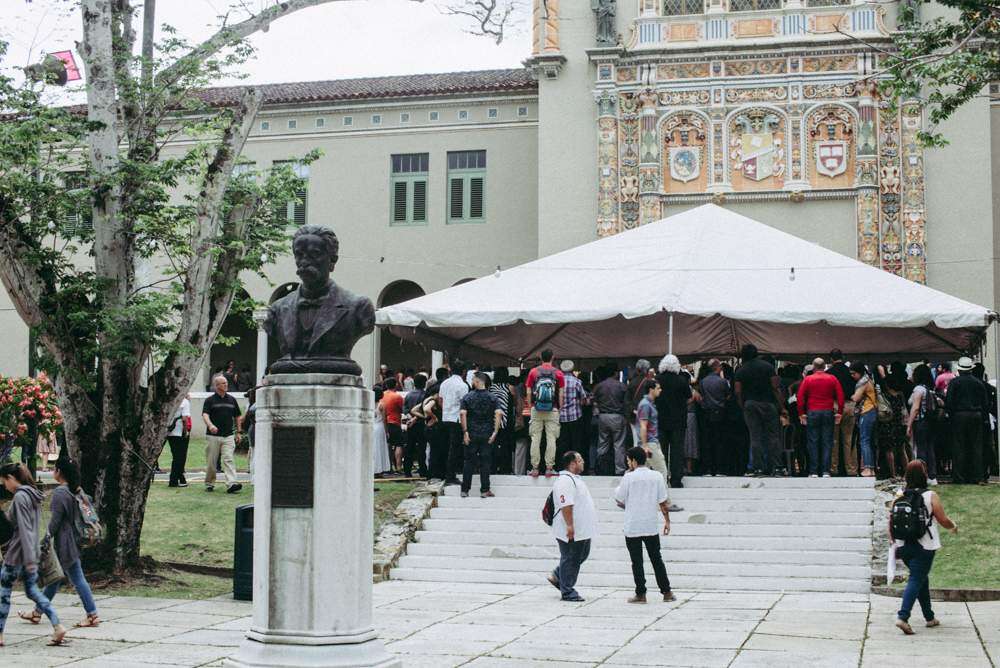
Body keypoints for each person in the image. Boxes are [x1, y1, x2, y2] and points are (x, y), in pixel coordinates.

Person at [20, 458, 99, 629]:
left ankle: (92, 614)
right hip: (75, 539)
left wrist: (45, 539)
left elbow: (55, 522)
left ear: (59, 472)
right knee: (54, 579)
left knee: (77, 577)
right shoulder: (76, 490)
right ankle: (37, 613)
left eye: (54, 469)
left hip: (65, 541)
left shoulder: (60, 493)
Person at [0, 463, 66, 647]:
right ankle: (57, 625)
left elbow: (24, 530)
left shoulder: (20, 497)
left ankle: (0, 634)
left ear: (12, 478)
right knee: (33, 591)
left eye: (4, 481)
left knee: (4, 593)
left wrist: (29, 559)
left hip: (18, 555)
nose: (4, 486)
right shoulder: (33, 495)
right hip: (31, 553)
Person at [891, 459, 957, 635]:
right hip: (925, 545)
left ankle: (929, 617)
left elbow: (891, 520)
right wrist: (953, 527)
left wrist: (893, 543)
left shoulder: (899, 494)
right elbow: (942, 519)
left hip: (903, 545)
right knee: (916, 579)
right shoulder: (930, 495)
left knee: (921, 579)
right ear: (924, 474)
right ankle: (903, 617)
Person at [614, 446, 674, 603]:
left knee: (637, 561)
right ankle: (666, 592)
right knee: (656, 559)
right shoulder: (657, 476)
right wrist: (667, 520)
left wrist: (626, 476)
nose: (628, 464)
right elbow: (663, 501)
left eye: (628, 461)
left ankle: (641, 593)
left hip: (633, 525)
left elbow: (619, 498)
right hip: (650, 524)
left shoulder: (628, 477)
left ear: (633, 461)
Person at [546, 451, 597, 602]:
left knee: (581, 554)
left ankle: (557, 575)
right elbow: (566, 504)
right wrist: (569, 525)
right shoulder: (565, 481)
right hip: (570, 528)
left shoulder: (575, 479)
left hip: (582, 529)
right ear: (572, 464)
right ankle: (567, 591)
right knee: (570, 557)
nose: (583, 462)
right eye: (580, 460)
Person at [797, 358, 845, 477]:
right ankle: (825, 471)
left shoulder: (808, 379)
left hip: (812, 411)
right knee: (827, 442)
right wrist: (839, 412)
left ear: (813, 367)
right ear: (825, 367)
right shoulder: (832, 378)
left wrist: (801, 413)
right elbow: (840, 396)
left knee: (813, 441)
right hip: (828, 411)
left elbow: (800, 397)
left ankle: (813, 471)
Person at [459, 372, 504, 498]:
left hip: (471, 432)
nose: (472, 381)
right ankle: (484, 490)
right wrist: (495, 432)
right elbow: (499, 413)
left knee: (468, 461)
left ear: (477, 381)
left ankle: (465, 490)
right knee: (486, 462)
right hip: (487, 433)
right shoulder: (492, 398)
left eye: (473, 379)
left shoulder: (467, 397)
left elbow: (463, 414)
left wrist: (465, 432)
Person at [945, 356, 988, 484]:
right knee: (976, 446)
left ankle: (960, 476)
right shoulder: (978, 383)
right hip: (976, 415)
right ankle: (977, 476)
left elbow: (949, 402)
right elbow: (985, 403)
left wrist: (950, 415)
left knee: (959, 446)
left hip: (959, 415)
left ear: (960, 369)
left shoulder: (955, 382)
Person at [526, 349, 566, 477]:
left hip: (536, 408)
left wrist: (530, 405)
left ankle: (535, 468)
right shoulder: (558, 373)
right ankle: (549, 468)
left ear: (540, 357)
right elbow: (561, 393)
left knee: (535, 438)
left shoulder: (533, 372)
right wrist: (559, 407)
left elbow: (528, 391)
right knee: (551, 439)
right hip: (552, 409)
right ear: (553, 358)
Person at [654, 354, 692, 487]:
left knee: (661, 451)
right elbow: (689, 397)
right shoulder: (681, 380)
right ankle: (676, 479)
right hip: (678, 420)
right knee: (677, 450)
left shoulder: (656, 380)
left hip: (660, 420)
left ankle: (662, 478)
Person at [202, 375, 243, 494]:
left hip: (228, 436)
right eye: (223, 383)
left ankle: (232, 484)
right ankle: (209, 483)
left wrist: (238, 432)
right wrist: (210, 425)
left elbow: (238, 416)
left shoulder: (232, 399)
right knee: (212, 462)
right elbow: (205, 415)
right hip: (213, 436)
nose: (226, 385)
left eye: (226, 383)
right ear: (217, 386)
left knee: (228, 459)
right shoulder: (209, 400)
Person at [592, 366, 628, 475]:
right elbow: (626, 402)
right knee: (619, 445)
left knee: (602, 443)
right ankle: (620, 470)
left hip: (603, 417)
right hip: (617, 417)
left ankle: (600, 468)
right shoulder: (621, 386)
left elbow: (594, 400)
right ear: (615, 373)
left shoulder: (599, 386)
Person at [907, 364, 939, 485]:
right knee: (930, 448)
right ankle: (932, 475)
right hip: (930, 422)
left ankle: (921, 475)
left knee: (921, 448)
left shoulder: (918, 389)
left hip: (920, 422)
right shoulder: (930, 389)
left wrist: (909, 425)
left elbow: (915, 408)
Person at [828, 350, 858, 477]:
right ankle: (851, 469)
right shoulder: (850, 372)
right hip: (850, 405)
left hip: (834, 405)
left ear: (831, 359)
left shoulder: (829, 373)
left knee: (834, 439)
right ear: (843, 357)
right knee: (849, 439)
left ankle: (834, 468)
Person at [440, 362, 470, 485]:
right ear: (463, 371)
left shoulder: (444, 383)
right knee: (455, 448)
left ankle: (446, 473)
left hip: (445, 417)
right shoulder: (463, 386)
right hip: (456, 418)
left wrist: (446, 410)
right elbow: (465, 405)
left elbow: (440, 400)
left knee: (447, 446)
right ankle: (450, 475)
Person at [699, 359, 729, 476]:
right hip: (720, 412)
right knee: (720, 441)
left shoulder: (703, 382)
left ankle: (708, 468)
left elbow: (702, 395)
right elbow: (727, 395)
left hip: (707, 412)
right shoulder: (723, 382)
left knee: (707, 441)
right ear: (717, 368)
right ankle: (719, 468)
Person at [877, 376, 911, 479]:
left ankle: (893, 473)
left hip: (888, 424)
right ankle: (906, 473)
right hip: (900, 424)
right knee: (902, 450)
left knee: (889, 450)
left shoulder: (885, 396)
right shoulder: (900, 395)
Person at [850, 362, 878, 477]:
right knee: (868, 441)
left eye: (853, 373)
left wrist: (852, 396)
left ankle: (867, 468)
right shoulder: (869, 380)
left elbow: (856, 398)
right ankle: (870, 468)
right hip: (871, 412)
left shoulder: (863, 382)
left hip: (866, 411)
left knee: (864, 441)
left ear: (859, 372)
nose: (852, 376)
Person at [557, 360, 587, 469]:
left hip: (561, 416)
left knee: (563, 443)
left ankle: (563, 466)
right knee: (576, 443)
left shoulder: (557, 382)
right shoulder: (577, 381)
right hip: (575, 416)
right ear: (572, 369)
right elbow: (584, 399)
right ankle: (575, 466)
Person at [489, 367, 515, 474]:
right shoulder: (509, 387)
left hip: (493, 420)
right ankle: (505, 468)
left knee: (493, 444)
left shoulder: (491, 388)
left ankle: (493, 467)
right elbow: (513, 404)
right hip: (506, 420)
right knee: (506, 445)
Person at [403, 374, 428, 478]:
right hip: (421, 424)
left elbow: (405, 410)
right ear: (424, 383)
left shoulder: (408, 395)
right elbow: (424, 409)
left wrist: (410, 419)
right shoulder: (425, 395)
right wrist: (416, 419)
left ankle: (407, 471)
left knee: (409, 448)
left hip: (411, 426)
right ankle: (422, 470)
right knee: (422, 449)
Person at [379, 378, 405, 475]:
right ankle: (398, 466)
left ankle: (388, 466)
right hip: (395, 422)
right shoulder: (397, 397)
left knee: (388, 445)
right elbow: (402, 409)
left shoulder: (382, 395)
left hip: (384, 423)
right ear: (395, 385)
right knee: (399, 444)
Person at [166, 393, 192, 488]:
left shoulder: (170, 401)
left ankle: (180, 478)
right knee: (180, 457)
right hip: (179, 431)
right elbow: (185, 418)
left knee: (176, 456)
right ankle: (173, 480)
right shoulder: (185, 402)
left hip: (170, 432)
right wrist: (185, 432)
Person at [372, 386, 392, 477]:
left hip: (372, 426)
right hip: (379, 427)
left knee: (374, 448)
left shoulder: (368, 403)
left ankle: (373, 468)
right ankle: (379, 469)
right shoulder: (381, 405)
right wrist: (387, 431)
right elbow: (384, 419)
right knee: (380, 448)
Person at [241, 387, 257, 483]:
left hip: (252, 429)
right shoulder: (254, 406)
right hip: (255, 430)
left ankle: (253, 477)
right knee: (255, 454)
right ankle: (254, 478)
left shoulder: (250, 406)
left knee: (253, 453)